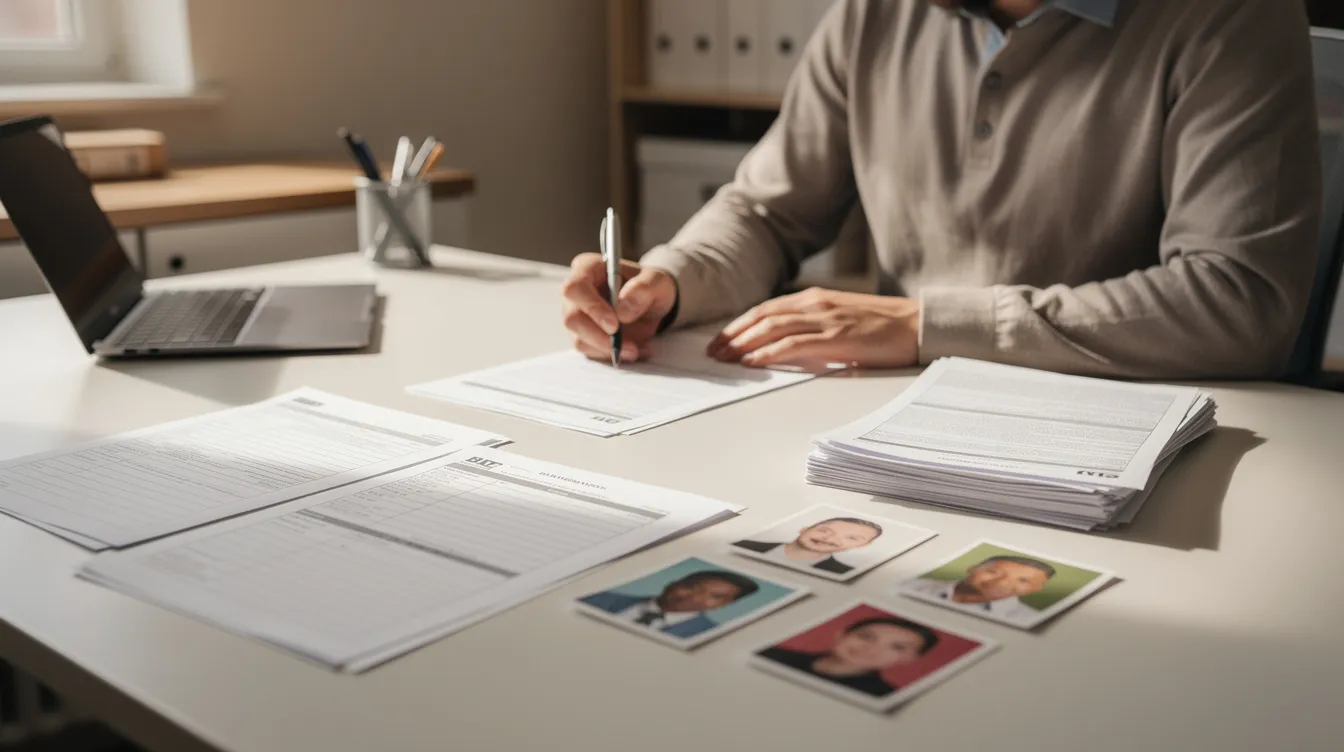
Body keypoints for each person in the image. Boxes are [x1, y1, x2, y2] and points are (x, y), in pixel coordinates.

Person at [561, 0, 1321, 379]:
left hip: (1124, 432)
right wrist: (669, 282)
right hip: (904, 417)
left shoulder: (1234, 17)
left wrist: (927, 323)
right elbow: (768, 210)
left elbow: (1239, 299)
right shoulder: (876, 13)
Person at [757, 616, 940, 697]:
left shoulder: (881, 695)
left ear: (910, 659)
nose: (871, 649)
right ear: (841, 636)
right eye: (866, 637)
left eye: (896, 647)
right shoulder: (772, 655)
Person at [580, 570, 760, 639]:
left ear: (724, 605)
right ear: (672, 583)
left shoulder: (710, 637)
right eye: (692, 587)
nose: (695, 597)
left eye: (715, 596)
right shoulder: (594, 598)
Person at [908, 554, 1055, 622]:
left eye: (1023, 581)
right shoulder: (912, 584)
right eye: (993, 572)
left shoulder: (1029, 618)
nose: (1002, 582)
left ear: (1037, 588)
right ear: (972, 569)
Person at [733, 517, 882, 575]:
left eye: (852, 538)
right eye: (824, 530)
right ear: (805, 529)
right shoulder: (745, 545)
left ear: (863, 545)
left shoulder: (842, 573)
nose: (829, 538)